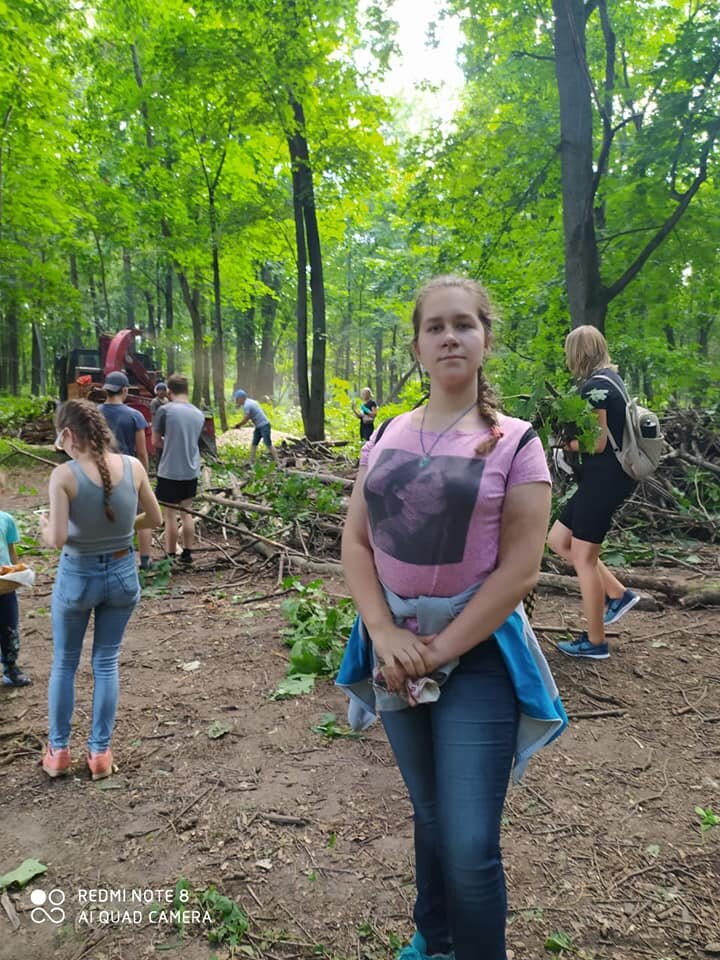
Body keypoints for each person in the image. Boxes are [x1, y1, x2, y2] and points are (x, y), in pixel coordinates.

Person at [340, 275, 564, 960]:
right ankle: (433, 939)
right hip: (391, 652)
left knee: (469, 843)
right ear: (417, 345)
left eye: (463, 324)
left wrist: (435, 653)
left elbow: (520, 571)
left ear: (485, 338)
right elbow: (356, 542)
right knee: (431, 811)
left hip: (477, 657)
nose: (449, 337)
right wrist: (384, 633)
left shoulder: (516, 443)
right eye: (434, 327)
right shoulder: (387, 433)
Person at [39, 400, 161, 779]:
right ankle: (100, 754)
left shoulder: (64, 475)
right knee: (106, 663)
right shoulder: (134, 466)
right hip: (123, 576)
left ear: (68, 434)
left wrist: (44, 529)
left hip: (78, 577)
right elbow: (155, 518)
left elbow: (58, 538)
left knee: (65, 662)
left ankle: (58, 752)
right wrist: (121, 528)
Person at [547, 326, 640, 659]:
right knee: (558, 540)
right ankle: (618, 594)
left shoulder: (596, 388)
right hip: (603, 480)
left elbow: (596, 443)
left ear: (577, 353)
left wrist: (562, 443)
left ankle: (596, 642)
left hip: (605, 480)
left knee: (584, 559)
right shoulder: (612, 380)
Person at [100, 370, 154, 571]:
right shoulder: (135, 416)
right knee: (141, 513)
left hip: (100, 472)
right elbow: (142, 451)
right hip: (128, 472)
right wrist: (143, 476)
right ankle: (145, 559)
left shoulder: (95, 414)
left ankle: (111, 558)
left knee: (107, 515)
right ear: (124, 390)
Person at [152, 374, 206, 564]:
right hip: (191, 470)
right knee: (187, 511)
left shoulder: (165, 410)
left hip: (169, 470)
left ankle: (170, 555)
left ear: (169, 390)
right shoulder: (198, 414)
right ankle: (188, 553)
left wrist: (169, 444)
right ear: (187, 390)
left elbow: (155, 442)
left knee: (170, 515)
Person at [0, 472, 31, 687]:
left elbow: (12, 554)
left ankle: (11, 667)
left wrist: (17, 574)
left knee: (9, 627)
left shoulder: (6, 520)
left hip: (4, 585)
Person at [233, 389, 279, 464]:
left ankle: (277, 461)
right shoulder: (250, 401)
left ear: (241, 398)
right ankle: (251, 461)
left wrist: (238, 425)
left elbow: (246, 419)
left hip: (264, 426)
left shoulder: (247, 405)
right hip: (259, 426)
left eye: (237, 399)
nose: (236, 401)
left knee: (268, 444)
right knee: (254, 444)